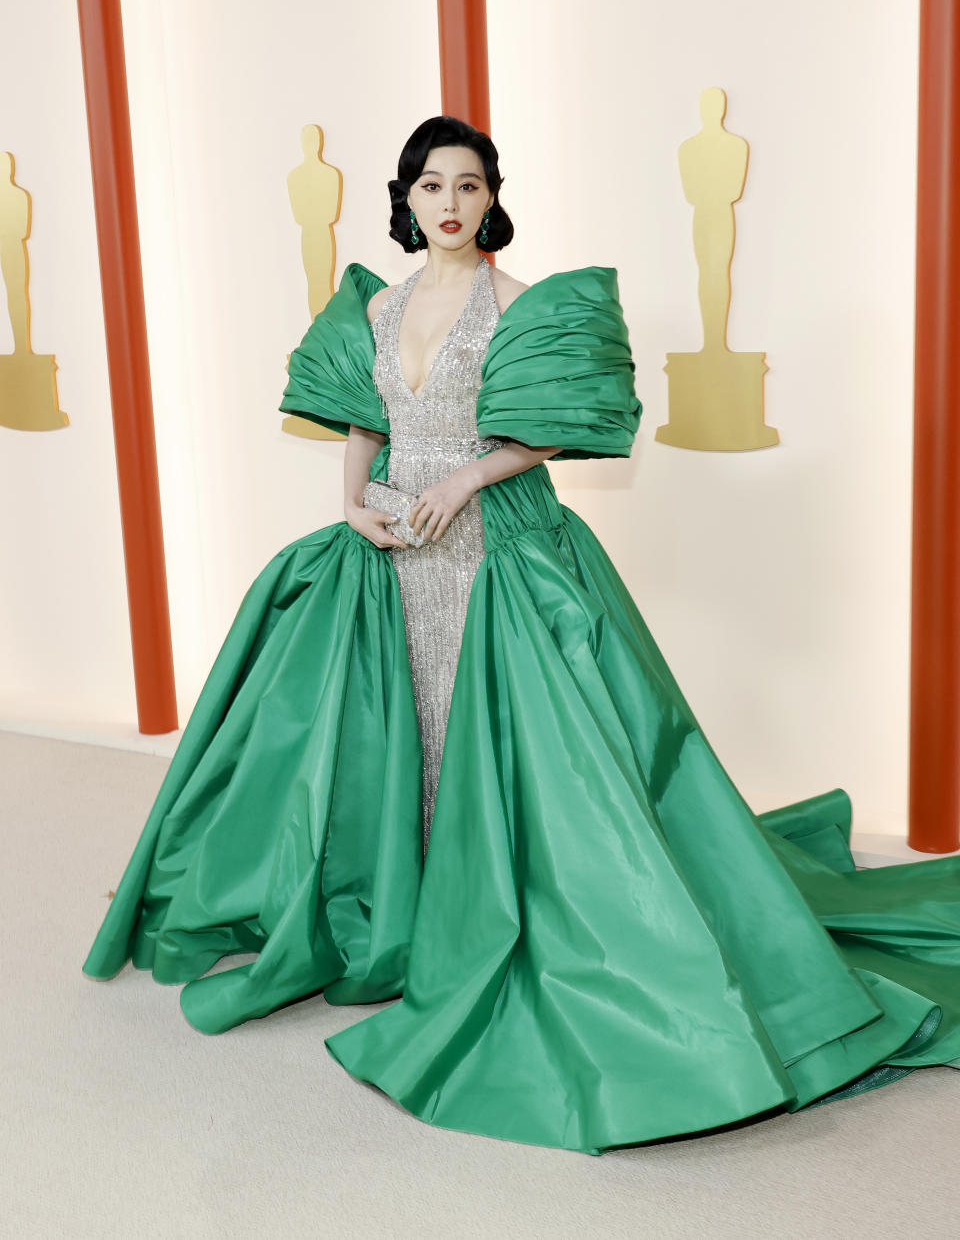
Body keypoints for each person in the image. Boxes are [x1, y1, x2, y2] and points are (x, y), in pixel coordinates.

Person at [83, 115, 960, 1156]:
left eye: (468, 184)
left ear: (491, 196)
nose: (449, 204)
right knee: (398, 725)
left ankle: (503, 915)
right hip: (394, 548)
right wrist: (354, 503)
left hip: (497, 545)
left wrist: (467, 475)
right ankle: (404, 907)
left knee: (509, 740)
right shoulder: (377, 304)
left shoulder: (516, 300)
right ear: (404, 200)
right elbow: (362, 419)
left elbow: (554, 421)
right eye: (430, 187)